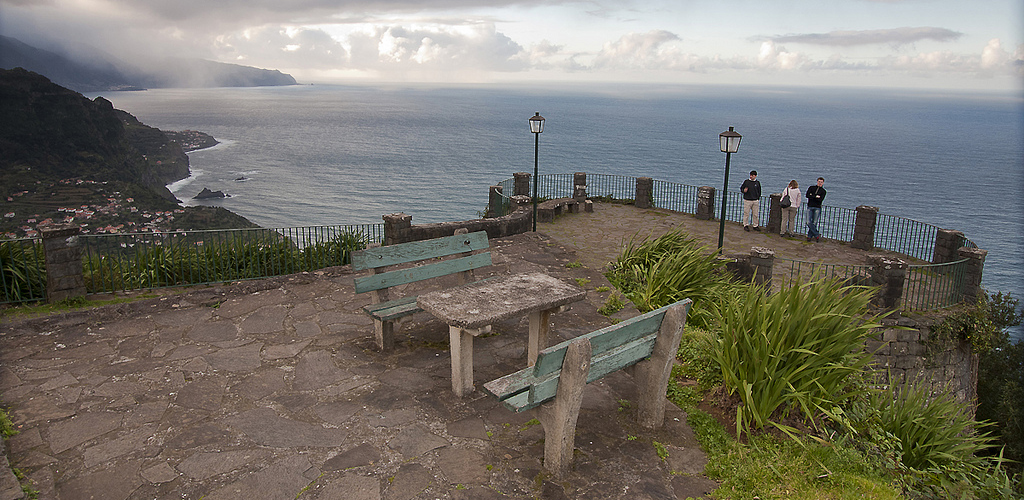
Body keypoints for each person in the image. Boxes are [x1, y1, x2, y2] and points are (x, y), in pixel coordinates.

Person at [806, 177, 826, 242]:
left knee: (814, 222)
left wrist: (812, 196)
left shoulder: (823, 191)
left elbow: (820, 200)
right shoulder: (811, 188)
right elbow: (807, 195)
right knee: (808, 222)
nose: (820, 183)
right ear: (817, 181)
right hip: (810, 206)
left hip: (817, 207)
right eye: (819, 181)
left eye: (821, 182)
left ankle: (809, 236)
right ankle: (816, 234)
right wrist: (815, 196)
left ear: (823, 183)